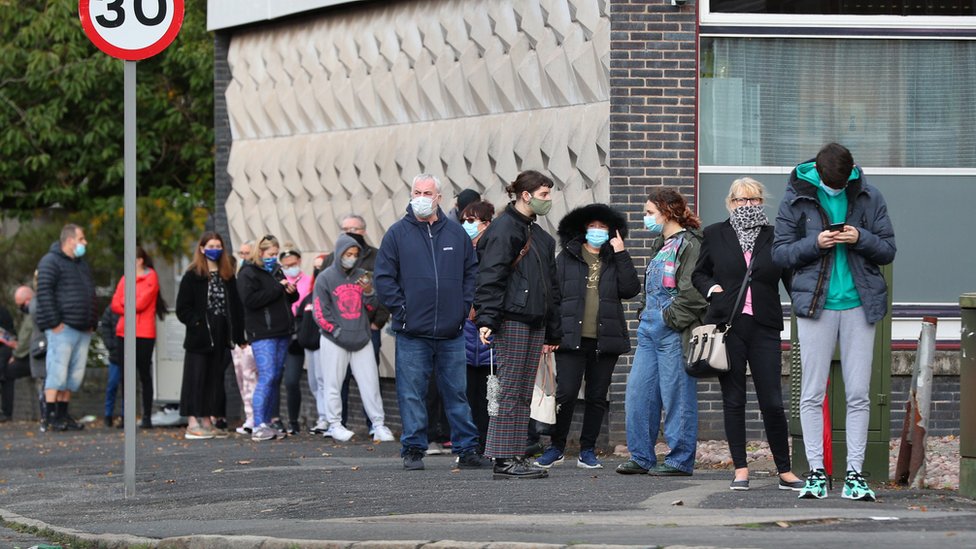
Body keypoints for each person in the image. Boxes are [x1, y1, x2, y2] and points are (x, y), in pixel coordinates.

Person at [772, 143, 896, 501]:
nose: (836, 190)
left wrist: (860, 238)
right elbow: (780, 252)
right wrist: (817, 243)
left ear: (851, 173)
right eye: (831, 185)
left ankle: (855, 475)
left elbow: (888, 249)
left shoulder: (870, 196)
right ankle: (816, 474)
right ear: (820, 173)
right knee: (812, 393)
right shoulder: (796, 198)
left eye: (842, 184)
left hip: (860, 304)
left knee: (858, 393)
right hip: (815, 305)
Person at [692, 178, 804, 491]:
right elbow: (699, 273)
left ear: (761, 202)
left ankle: (784, 470)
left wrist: (807, 312)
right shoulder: (715, 234)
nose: (747, 205)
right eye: (741, 200)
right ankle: (741, 469)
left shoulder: (775, 235)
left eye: (753, 200)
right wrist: (711, 289)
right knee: (734, 399)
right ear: (731, 202)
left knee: (772, 400)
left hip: (765, 325)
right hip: (728, 326)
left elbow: (790, 279)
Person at [375, 173, 492, 472]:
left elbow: (471, 273)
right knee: (412, 392)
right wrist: (403, 311)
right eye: (417, 191)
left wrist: (464, 307)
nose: (422, 197)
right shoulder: (396, 234)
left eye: (428, 192)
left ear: (439, 197)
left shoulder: (455, 235)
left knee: (457, 392)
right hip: (412, 332)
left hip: (451, 331)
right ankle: (414, 449)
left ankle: (467, 449)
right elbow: (384, 279)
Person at [534, 204, 640, 470]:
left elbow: (630, 290)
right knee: (566, 393)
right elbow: (552, 298)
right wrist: (550, 334)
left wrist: (622, 253)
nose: (597, 232)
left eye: (602, 228)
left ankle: (588, 450)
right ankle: (556, 447)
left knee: (596, 396)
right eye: (592, 227)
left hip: (605, 339)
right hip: (570, 339)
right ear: (583, 229)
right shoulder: (567, 256)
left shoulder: (614, 258)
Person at [475, 170, 563, 480]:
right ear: (525, 195)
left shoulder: (537, 234)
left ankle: (514, 455)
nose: (548, 200)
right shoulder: (505, 229)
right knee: (510, 391)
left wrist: (553, 330)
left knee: (522, 392)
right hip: (512, 319)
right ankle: (503, 459)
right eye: (543, 195)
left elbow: (551, 287)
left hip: (532, 319)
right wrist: (487, 319)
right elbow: (491, 274)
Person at [617, 189, 707, 477]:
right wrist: (644, 311)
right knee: (638, 394)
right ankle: (641, 456)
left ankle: (680, 460)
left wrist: (669, 318)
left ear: (667, 212)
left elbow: (693, 292)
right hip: (649, 331)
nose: (646, 218)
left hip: (672, 331)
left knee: (677, 396)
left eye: (649, 213)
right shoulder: (662, 244)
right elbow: (651, 288)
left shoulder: (690, 244)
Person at [312, 233, 395, 442]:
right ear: (339, 253)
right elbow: (320, 311)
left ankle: (378, 424)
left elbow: (371, 307)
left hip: (361, 338)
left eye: (354, 254)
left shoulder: (363, 276)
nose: (351, 257)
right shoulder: (325, 278)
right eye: (347, 254)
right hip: (334, 340)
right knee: (333, 383)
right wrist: (335, 331)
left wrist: (368, 292)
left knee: (370, 383)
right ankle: (335, 424)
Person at [176, 232, 245, 440]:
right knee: (194, 378)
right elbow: (182, 308)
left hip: (221, 334)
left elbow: (235, 307)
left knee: (213, 379)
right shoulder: (193, 275)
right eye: (211, 245)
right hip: (200, 335)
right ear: (202, 248)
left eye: (218, 245)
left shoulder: (227, 275)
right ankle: (192, 422)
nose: (215, 249)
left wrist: (239, 335)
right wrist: (196, 322)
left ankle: (207, 421)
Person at [35, 223, 98, 432]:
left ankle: (62, 415)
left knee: (73, 376)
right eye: (81, 239)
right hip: (63, 328)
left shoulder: (80, 264)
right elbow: (44, 293)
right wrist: (54, 323)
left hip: (82, 328)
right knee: (57, 373)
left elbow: (90, 292)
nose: (85, 243)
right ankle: (49, 417)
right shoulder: (50, 261)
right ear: (70, 240)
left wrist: (91, 321)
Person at [237, 234, 298, 442]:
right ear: (260, 253)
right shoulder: (247, 273)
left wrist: (291, 292)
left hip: (282, 330)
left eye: (276, 253)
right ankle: (258, 423)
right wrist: (277, 287)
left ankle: (270, 420)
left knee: (275, 378)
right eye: (271, 254)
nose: (274, 257)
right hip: (263, 332)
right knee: (267, 375)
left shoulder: (276, 271)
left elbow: (285, 299)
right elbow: (250, 300)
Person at [111, 246, 165, 429]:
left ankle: (147, 416)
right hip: (124, 332)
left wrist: (126, 302)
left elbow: (141, 304)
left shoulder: (151, 277)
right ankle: (127, 416)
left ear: (140, 260)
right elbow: (115, 304)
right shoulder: (124, 279)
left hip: (143, 332)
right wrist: (129, 303)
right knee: (126, 376)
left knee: (143, 374)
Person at [460, 200, 496, 454]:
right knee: (468, 392)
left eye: (472, 221)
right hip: (465, 331)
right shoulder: (461, 251)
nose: (466, 226)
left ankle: (488, 441)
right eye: (464, 220)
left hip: (486, 329)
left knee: (489, 392)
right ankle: (471, 441)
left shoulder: (494, 252)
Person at [279, 244, 312, 435]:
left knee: (292, 380)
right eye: (286, 264)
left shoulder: (308, 281)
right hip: (281, 331)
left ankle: (293, 422)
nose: (291, 267)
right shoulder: (279, 281)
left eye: (294, 263)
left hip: (300, 333)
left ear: (299, 261)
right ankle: (276, 420)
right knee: (276, 379)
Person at [230, 240, 259, 435]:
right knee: (242, 377)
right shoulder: (236, 276)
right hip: (238, 336)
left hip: (251, 335)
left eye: (247, 253)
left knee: (251, 377)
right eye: (241, 253)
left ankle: (255, 416)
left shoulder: (252, 276)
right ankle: (250, 415)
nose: (243, 257)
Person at [1, 299, 32, 422]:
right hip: (8, 349)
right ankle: (6, 412)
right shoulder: (4, 310)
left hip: (5, 349)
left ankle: (6, 413)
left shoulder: (2, 312)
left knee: (6, 376)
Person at [99, 305, 122, 428]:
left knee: (126, 388)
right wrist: (111, 345)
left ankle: (124, 416)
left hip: (125, 353)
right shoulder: (112, 308)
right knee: (112, 385)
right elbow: (105, 327)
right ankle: (108, 416)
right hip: (115, 354)